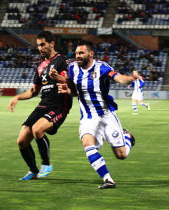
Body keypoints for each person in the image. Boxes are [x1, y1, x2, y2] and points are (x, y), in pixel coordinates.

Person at [57, 40, 136, 189]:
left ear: (91, 54)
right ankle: (108, 179)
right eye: (76, 53)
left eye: (81, 53)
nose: (78, 56)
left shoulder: (102, 67)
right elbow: (74, 90)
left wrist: (130, 79)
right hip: (88, 117)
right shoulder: (72, 68)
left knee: (121, 155)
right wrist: (67, 90)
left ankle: (127, 137)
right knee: (87, 144)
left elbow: (118, 77)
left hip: (106, 116)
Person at [7, 31, 73, 180]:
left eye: (43, 44)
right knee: (22, 140)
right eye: (38, 45)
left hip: (59, 105)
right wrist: (17, 97)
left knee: (37, 129)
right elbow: (33, 91)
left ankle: (46, 163)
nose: (40, 48)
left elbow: (71, 84)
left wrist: (58, 78)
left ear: (52, 43)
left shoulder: (63, 61)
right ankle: (33, 170)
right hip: (43, 104)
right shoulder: (41, 66)